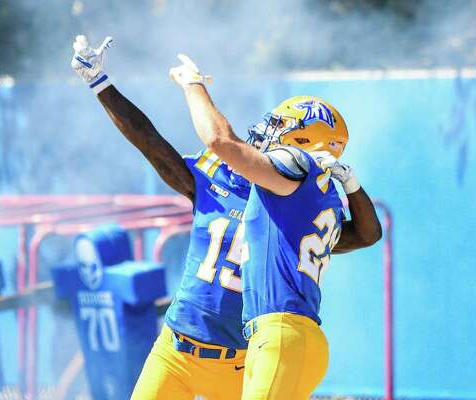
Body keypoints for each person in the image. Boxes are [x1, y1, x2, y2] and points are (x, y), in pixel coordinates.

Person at [71, 36, 380, 399]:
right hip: (177, 347)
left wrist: (351, 185)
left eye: (282, 127)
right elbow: (152, 144)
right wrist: (101, 86)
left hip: (244, 360)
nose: (267, 132)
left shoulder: (298, 204)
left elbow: (363, 234)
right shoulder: (225, 176)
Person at [170, 55, 381, 399]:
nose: (269, 131)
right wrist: (352, 185)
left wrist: (192, 84)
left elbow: (220, 141)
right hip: (283, 337)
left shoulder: (294, 168)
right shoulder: (316, 196)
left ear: (303, 139)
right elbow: (368, 234)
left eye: (282, 125)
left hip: (282, 335)